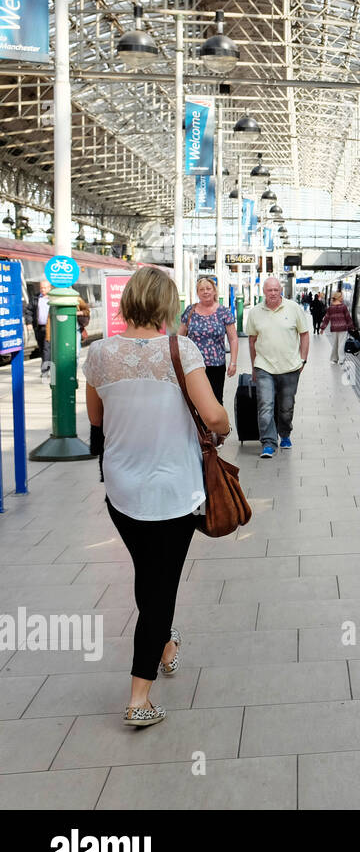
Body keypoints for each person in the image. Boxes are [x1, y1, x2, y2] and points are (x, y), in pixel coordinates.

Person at [82, 267, 231, 728]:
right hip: (174, 489)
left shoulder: (99, 353)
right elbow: (215, 417)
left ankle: (166, 643)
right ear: (167, 304)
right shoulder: (181, 349)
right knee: (160, 587)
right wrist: (220, 425)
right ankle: (139, 695)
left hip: (121, 490)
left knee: (149, 573)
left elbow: (97, 419)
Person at [244, 275, 310, 459]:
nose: (272, 293)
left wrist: (303, 360)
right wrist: (254, 367)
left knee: (286, 408)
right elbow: (252, 341)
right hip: (264, 367)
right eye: (269, 290)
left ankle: (285, 434)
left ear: (280, 290)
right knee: (265, 406)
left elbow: (304, 334)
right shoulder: (255, 312)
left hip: (290, 368)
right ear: (263, 292)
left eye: (275, 290)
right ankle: (268, 443)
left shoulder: (294, 308)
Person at [178, 275, 238, 404]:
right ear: (197, 293)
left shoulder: (224, 312)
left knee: (216, 400)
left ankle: (217, 425)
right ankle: (197, 425)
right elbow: (179, 337)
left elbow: (233, 339)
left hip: (216, 365)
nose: (205, 292)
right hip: (193, 364)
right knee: (195, 400)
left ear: (214, 291)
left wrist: (233, 362)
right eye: (201, 289)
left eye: (208, 288)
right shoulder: (190, 311)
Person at [25, 281, 51, 377]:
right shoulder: (36, 298)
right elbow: (29, 310)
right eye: (41, 288)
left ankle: (45, 371)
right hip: (38, 328)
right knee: (41, 349)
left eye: (44, 288)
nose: (42, 290)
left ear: (49, 288)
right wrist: (28, 322)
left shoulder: (53, 298)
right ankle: (49, 366)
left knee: (46, 349)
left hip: (49, 328)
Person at [321, 291, 356, 364]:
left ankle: (334, 359)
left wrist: (322, 328)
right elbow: (348, 318)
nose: (342, 298)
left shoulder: (330, 307)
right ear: (338, 297)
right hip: (343, 328)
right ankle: (341, 360)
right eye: (341, 296)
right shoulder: (343, 307)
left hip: (334, 328)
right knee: (341, 344)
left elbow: (326, 318)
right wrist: (351, 327)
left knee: (335, 344)